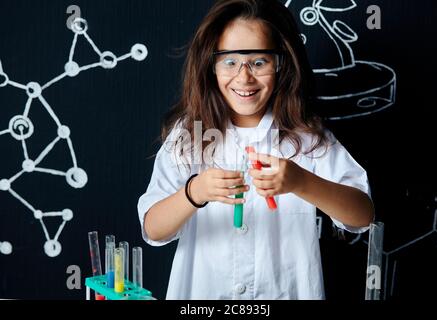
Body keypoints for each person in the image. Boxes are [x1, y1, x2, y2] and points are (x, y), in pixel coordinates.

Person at [138, 0, 374, 300]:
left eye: (259, 62)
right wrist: (194, 192)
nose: (244, 77)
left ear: (281, 64)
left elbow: (362, 215)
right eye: (230, 61)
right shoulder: (189, 135)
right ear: (210, 66)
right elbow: (153, 228)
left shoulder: (306, 136)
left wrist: (301, 182)